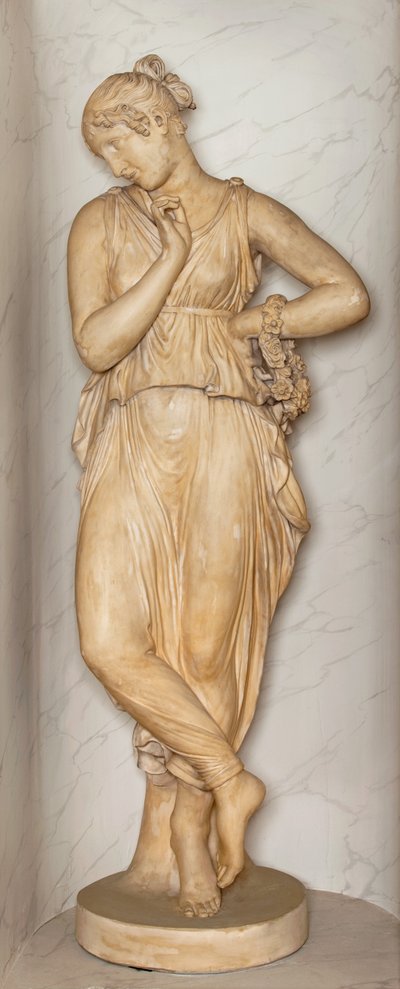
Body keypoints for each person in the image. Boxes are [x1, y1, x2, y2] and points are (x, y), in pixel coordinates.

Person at [67, 54, 370, 919]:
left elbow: (346, 293)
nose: (115, 165)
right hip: (133, 431)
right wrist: (169, 261)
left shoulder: (245, 211)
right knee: (109, 639)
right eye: (102, 154)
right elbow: (96, 345)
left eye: (121, 144)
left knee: (205, 651)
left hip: (227, 433)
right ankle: (231, 777)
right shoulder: (100, 222)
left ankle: (190, 837)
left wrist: (252, 322)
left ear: (162, 125)